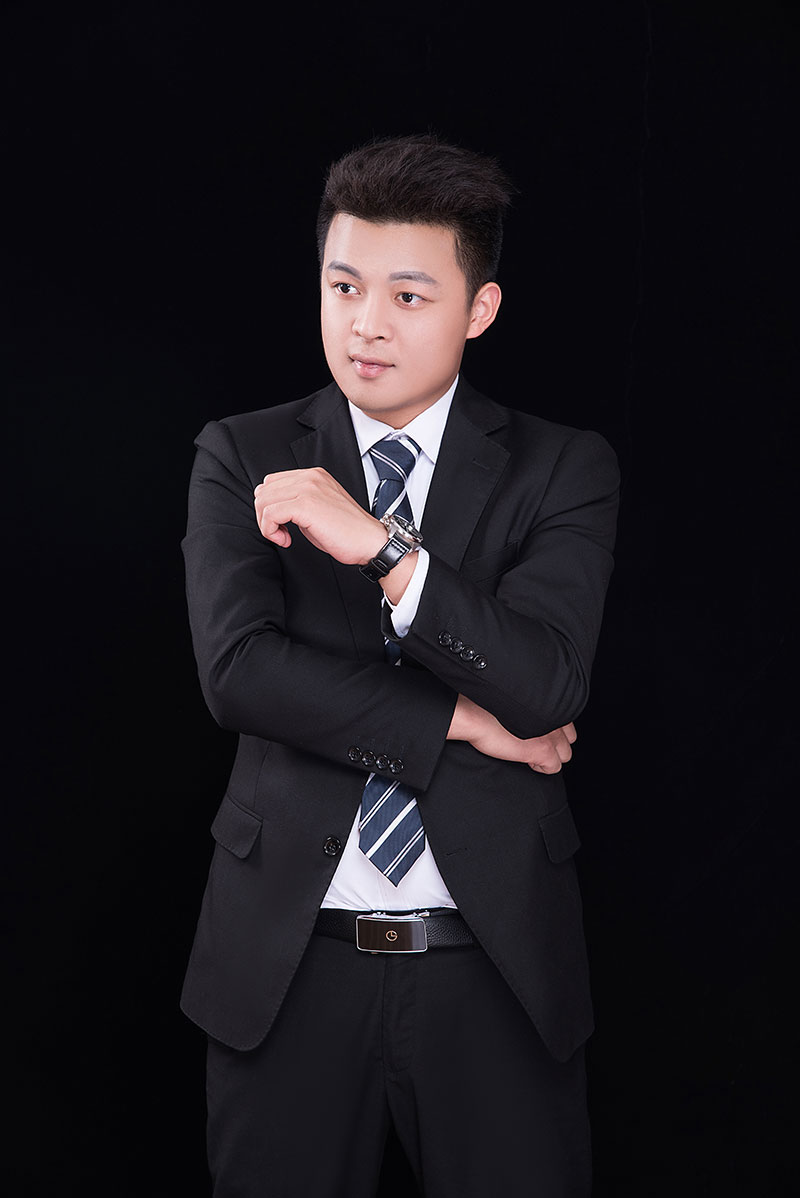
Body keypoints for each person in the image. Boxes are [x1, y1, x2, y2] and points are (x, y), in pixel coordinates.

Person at [181, 133, 620, 1197]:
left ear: (480, 309)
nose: (365, 323)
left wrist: (383, 549)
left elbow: (544, 683)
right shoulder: (243, 453)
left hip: (493, 965)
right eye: (343, 286)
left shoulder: (562, 466)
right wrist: (462, 722)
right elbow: (241, 675)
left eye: (408, 296)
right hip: (287, 962)